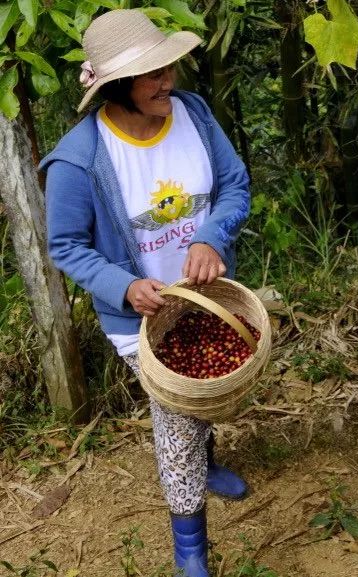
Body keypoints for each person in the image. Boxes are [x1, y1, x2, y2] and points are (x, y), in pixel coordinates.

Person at [42, 10, 251, 576]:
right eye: (151, 74)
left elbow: (234, 185)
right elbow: (65, 245)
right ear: (114, 86)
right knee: (176, 414)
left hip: (204, 296)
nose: (168, 80)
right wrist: (126, 285)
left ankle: (205, 462)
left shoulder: (195, 115)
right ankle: (190, 547)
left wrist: (210, 236)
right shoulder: (78, 160)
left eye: (168, 66)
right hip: (139, 317)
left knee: (206, 389)